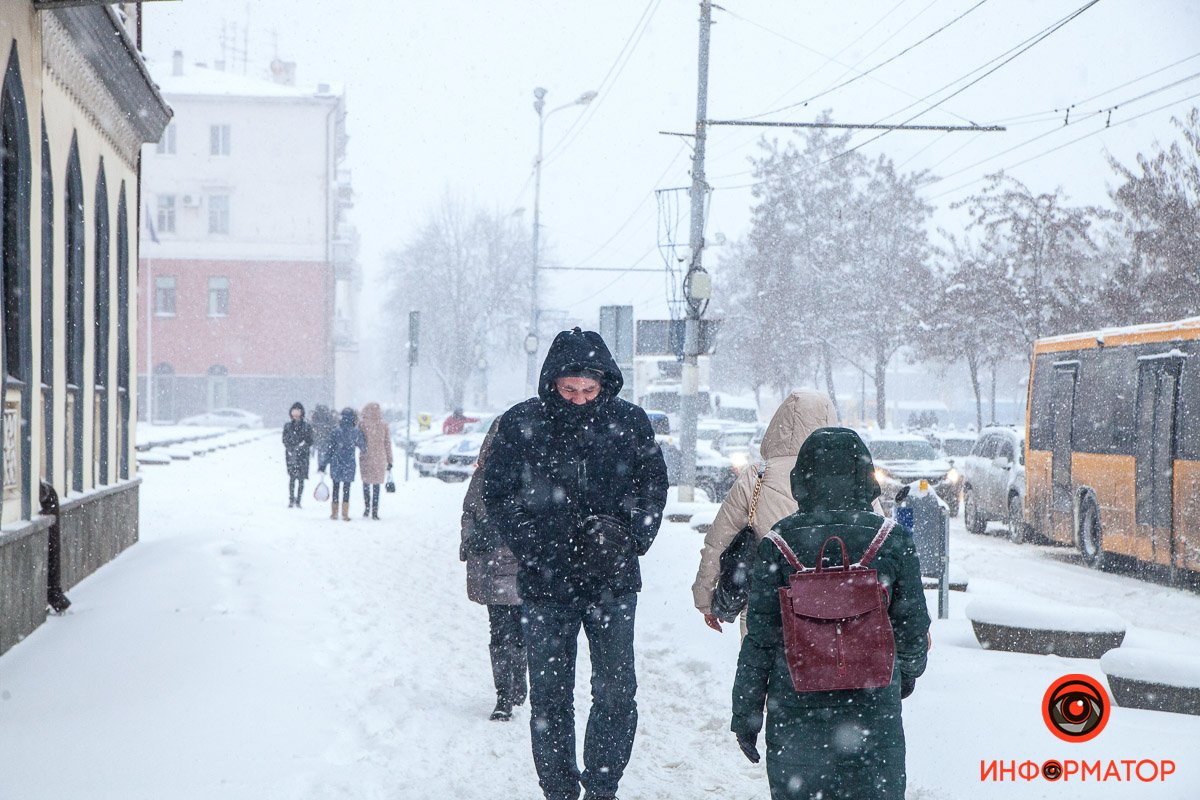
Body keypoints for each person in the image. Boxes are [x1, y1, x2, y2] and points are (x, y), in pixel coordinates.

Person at [482, 327, 668, 800]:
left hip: (613, 581)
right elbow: (498, 494)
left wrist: (630, 537)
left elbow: (653, 487)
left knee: (615, 691)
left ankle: (603, 786)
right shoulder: (522, 423)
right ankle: (559, 789)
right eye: (570, 390)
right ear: (552, 383)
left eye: (590, 390)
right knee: (549, 696)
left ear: (605, 383)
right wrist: (535, 547)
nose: (580, 399)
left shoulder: (631, 422)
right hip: (546, 584)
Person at [731, 427, 931, 800]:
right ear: (865, 477)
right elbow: (912, 624)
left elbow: (760, 638)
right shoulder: (891, 540)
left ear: (801, 479)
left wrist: (746, 712)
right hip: (873, 710)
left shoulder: (778, 543)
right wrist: (903, 673)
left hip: (795, 712)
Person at [692, 390, 836, 632]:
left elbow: (719, 541)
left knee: (758, 668)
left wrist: (704, 597)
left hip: (764, 602)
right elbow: (882, 544)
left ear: (779, 424)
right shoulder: (848, 478)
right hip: (831, 605)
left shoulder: (757, 475)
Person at [460, 419, 527, 722]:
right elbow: (469, 514)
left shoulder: (531, 473)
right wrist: (472, 540)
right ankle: (504, 694)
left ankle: (517, 678)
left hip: (522, 564)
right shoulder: (482, 476)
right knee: (501, 631)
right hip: (491, 563)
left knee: (522, 630)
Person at [318, 407, 366, 521]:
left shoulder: (335, 431)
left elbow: (329, 449)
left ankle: (334, 513)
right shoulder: (356, 432)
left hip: (336, 462)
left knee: (335, 487)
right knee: (346, 488)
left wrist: (323, 463)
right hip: (349, 463)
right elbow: (363, 447)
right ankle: (345, 514)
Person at [358, 402, 394, 520]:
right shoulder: (383, 425)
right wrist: (390, 460)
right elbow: (387, 443)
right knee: (377, 484)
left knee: (366, 483)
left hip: (366, 457)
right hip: (380, 457)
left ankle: (367, 507)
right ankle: (375, 511)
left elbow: (358, 440)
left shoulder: (362, 424)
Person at [281, 402, 314, 508]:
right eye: (294, 410)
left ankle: (298, 500)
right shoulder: (288, 426)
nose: (295, 413)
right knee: (292, 478)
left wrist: (302, 446)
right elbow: (284, 439)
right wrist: (291, 448)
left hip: (303, 456)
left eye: (298, 411)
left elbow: (310, 440)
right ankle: (291, 499)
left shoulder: (307, 426)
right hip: (291, 455)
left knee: (301, 478)